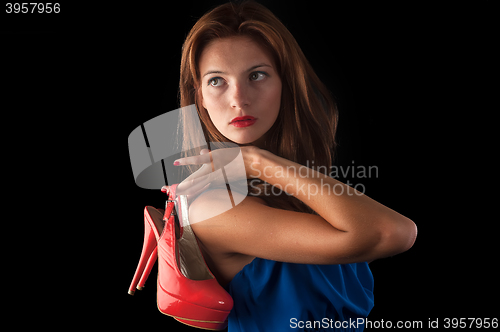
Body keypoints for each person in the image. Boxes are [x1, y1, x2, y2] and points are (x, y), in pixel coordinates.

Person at [171, 1, 417, 331]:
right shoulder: (213, 208)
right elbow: (393, 233)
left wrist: (260, 166)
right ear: (199, 95)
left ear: (285, 82)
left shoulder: (295, 187)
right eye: (217, 81)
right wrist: (255, 161)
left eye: (256, 75)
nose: (239, 99)